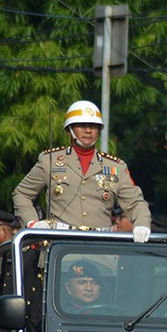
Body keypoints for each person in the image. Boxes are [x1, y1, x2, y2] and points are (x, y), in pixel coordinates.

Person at [12, 100, 151, 241]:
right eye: (82, 126)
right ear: (69, 130)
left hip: (100, 245)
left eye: (93, 126)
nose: (88, 131)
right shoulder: (50, 160)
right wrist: (33, 223)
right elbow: (22, 193)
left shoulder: (116, 167)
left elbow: (135, 202)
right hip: (60, 243)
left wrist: (142, 224)